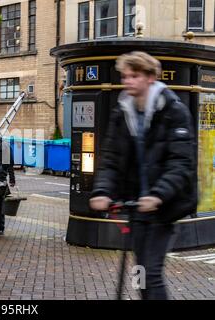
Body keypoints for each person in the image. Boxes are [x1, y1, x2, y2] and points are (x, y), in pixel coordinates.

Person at [89, 51, 196, 300]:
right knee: (140, 272)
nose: (127, 81)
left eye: (134, 76)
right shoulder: (123, 111)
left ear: (150, 77)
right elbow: (111, 158)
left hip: (164, 207)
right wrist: (102, 191)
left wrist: (158, 195)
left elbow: (181, 162)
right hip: (136, 207)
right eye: (125, 76)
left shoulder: (172, 110)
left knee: (151, 270)